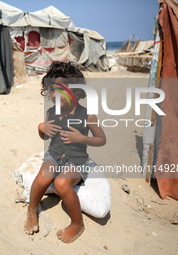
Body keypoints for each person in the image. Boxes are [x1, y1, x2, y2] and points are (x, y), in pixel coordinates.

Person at [24, 61, 106, 244]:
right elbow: (45, 138)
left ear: (76, 92)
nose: (55, 95)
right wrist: (41, 127)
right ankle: (31, 208)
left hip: (76, 160)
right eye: (52, 90)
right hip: (54, 155)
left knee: (61, 183)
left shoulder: (87, 115)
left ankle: (77, 223)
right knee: (43, 177)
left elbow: (101, 139)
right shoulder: (51, 113)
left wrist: (81, 139)